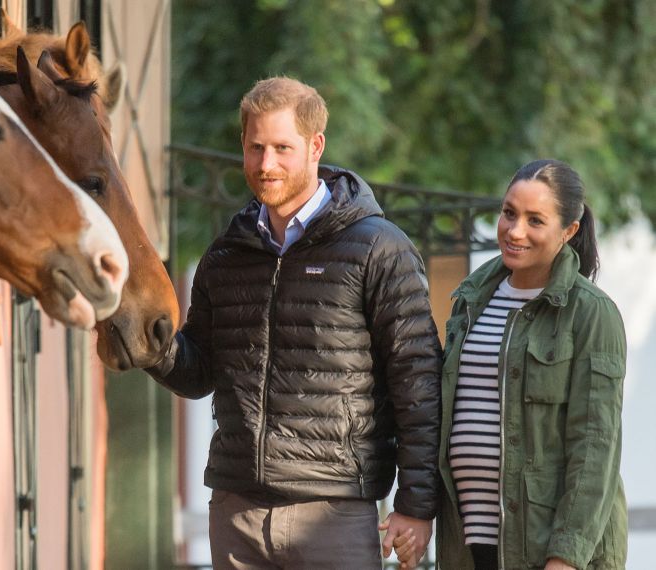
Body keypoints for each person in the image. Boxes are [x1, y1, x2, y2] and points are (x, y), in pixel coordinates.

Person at [145, 76, 442, 569]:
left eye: (282, 148)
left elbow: (418, 380)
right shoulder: (225, 255)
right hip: (236, 509)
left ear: (315, 146)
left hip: (335, 512)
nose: (267, 165)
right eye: (255, 147)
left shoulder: (378, 248)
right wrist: (150, 347)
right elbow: (198, 374)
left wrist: (416, 505)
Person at [435, 159, 628, 569]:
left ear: (569, 231)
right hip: (469, 545)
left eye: (535, 220)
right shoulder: (470, 302)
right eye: (509, 213)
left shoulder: (591, 313)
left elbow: (596, 448)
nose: (514, 231)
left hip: (547, 552)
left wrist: (565, 558)